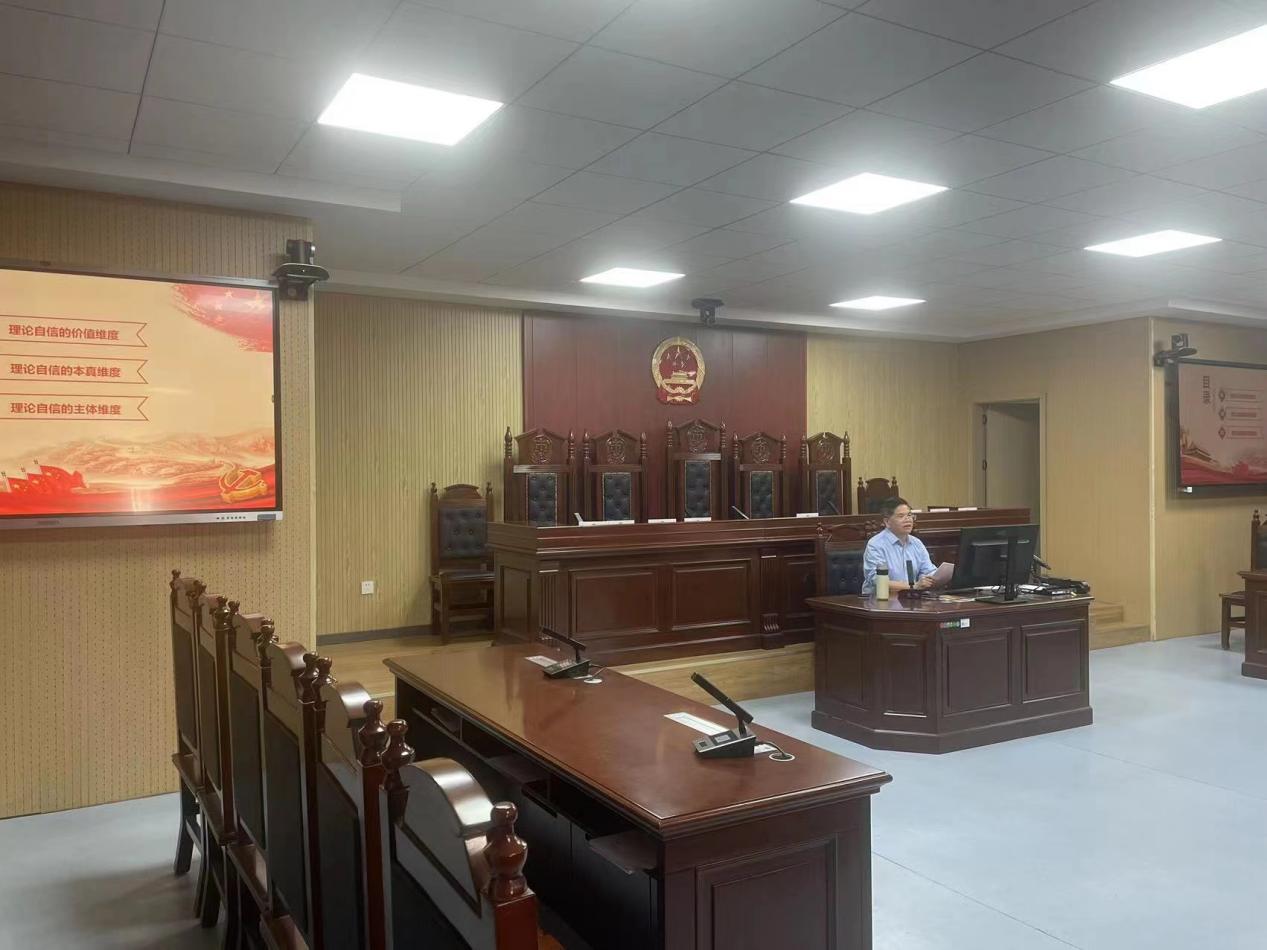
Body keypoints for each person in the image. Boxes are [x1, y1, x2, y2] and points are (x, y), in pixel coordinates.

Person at [861, 497, 939, 596]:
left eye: (909, 515)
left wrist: (933, 578)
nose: (908, 519)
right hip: (879, 600)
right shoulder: (876, 545)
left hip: (910, 599)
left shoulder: (917, 543)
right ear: (887, 522)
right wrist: (914, 586)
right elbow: (879, 581)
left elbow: (928, 571)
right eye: (901, 516)